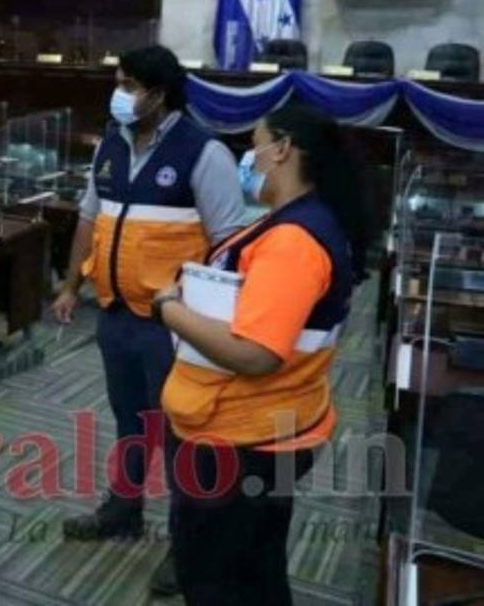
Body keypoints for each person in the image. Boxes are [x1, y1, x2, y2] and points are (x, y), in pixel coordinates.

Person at [151, 101, 367, 606]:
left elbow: (255, 355)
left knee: (217, 580)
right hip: (258, 429)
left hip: (243, 438)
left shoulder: (293, 239)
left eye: (253, 146)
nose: (248, 159)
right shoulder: (291, 220)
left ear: (283, 149)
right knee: (253, 569)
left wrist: (171, 310)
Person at [52, 45, 244, 596]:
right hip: (116, 313)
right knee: (129, 420)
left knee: (183, 434)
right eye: (118, 82)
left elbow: (229, 245)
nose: (120, 93)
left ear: (159, 95)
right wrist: (70, 285)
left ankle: (188, 548)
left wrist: (196, 313)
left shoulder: (204, 152)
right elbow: (90, 219)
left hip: (175, 326)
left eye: (130, 84)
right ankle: (124, 508)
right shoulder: (110, 145)